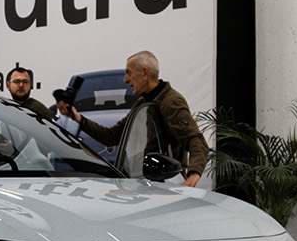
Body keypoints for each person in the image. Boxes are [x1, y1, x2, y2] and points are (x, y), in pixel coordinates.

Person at [56, 50, 207, 186]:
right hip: (149, 184)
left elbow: (195, 139)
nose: (125, 80)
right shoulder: (143, 102)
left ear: (145, 73)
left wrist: (194, 173)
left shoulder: (170, 101)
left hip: (167, 185)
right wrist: (78, 118)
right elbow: (111, 136)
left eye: (129, 73)